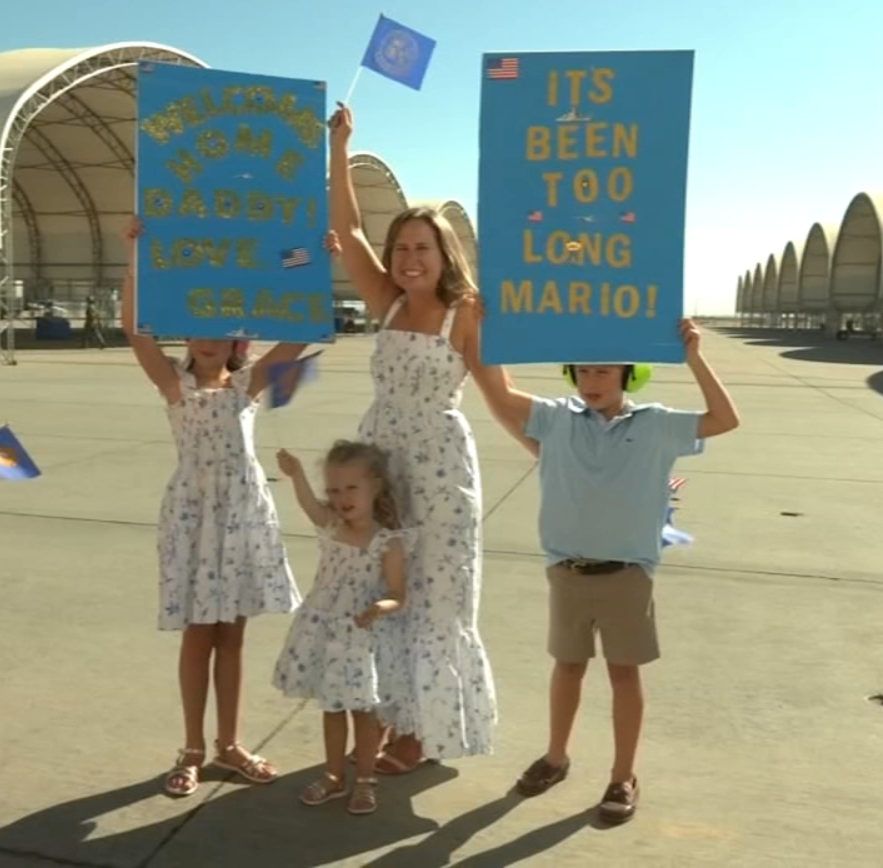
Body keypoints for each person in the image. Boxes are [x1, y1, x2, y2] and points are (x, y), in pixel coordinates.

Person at [473, 317, 740, 824]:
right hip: (569, 571)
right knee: (568, 667)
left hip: (627, 574)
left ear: (628, 374)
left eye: (604, 371)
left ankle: (622, 775)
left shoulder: (658, 423)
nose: (593, 381)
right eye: (584, 371)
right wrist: (484, 327)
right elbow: (498, 389)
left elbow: (725, 419)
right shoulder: (555, 418)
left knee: (624, 674)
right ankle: (555, 757)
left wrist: (695, 358)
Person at [327, 103, 499, 773]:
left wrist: (556, 442)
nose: (408, 257)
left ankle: (426, 733)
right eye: (401, 248)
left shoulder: (465, 314)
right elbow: (344, 226)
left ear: (443, 253)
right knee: (385, 592)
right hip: (383, 470)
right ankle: (396, 721)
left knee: (440, 594)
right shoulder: (389, 301)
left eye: (421, 247)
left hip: (442, 476)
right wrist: (342, 146)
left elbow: (499, 394)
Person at [121, 216, 308, 797]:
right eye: (198, 328)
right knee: (197, 636)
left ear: (236, 341)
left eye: (220, 330)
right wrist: (134, 254)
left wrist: (311, 261)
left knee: (232, 636)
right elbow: (132, 329)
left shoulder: (248, 385)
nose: (207, 339)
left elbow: (300, 333)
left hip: (243, 515)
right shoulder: (174, 384)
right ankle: (193, 747)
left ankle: (229, 744)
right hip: (194, 516)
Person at [271, 441, 411, 816]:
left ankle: (365, 780)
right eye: (333, 490)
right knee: (332, 708)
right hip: (326, 633)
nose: (341, 497)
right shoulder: (332, 527)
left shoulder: (388, 541)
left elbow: (399, 593)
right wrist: (297, 473)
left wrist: (382, 606)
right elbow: (308, 505)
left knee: (364, 712)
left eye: (351, 488)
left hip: (362, 639)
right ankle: (333, 776)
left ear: (375, 487)